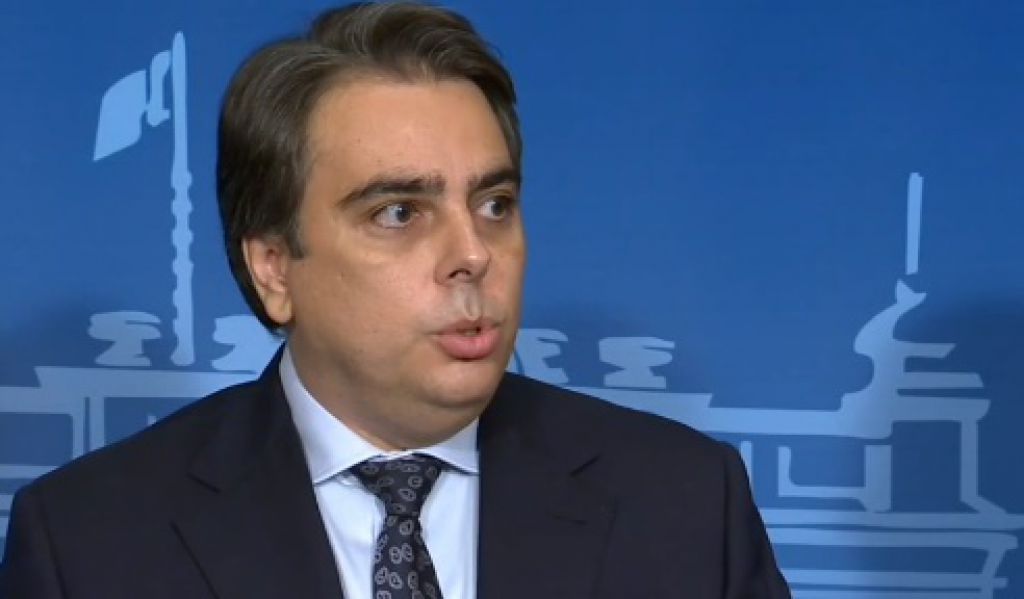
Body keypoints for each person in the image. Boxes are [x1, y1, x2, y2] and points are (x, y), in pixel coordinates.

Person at [0, 3, 790, 598]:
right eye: (400, 213)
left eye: (495, 204)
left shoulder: (684, 506)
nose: (473, 253)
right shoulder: (89, 543)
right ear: (274, 267)